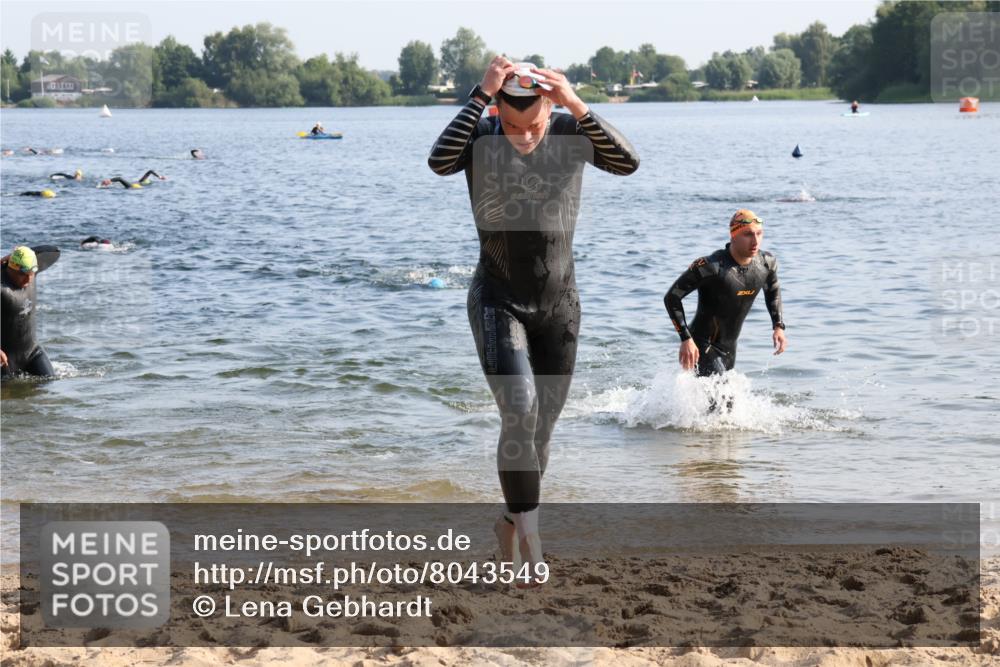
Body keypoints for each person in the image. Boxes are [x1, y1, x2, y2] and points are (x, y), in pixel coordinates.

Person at [428, 57, 639, 584]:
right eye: (513, 125)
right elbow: (437, 161)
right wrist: (480, 95)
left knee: (540, 431)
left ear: (550, 108)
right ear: (499, 110)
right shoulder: (480, 135)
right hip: (498, 298)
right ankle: (532, 542)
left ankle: (509, 521)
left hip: (559, 307)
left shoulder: (569, 129)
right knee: (519, 412)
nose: (523, 136)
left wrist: (574, 102)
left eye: (535, 124)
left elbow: (627, 162)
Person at [664, 209, 786, 380]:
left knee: (721, 401)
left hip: (730, 348)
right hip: (701, 344)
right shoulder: (710, 266)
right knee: (724, 400)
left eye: (759, 234)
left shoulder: (766, 263)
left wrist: (778, 326)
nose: (755, 240)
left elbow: (772, 290)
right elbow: (672, 297)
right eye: (748, 234)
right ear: (733, 235)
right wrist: (686, 339)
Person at [1, 245, 61, 379]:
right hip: (4, 359)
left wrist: (21, 254)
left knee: (51, 386)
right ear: (11, 268)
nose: (28, 280)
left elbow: (54, 251)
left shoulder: (31, 271)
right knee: (6, 397)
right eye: (23, 274)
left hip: (32, 353)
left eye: (31, 274)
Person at [98, 170, 166, 188]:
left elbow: (150, 171)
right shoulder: (142, 181)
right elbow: (150, 171)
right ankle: (108, 182)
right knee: (119, 178)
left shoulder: (141, 181)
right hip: (133, 187)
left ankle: (108, 182)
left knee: (119, 179)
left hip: (133, 186)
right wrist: (159, 177)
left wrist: (159, 177)